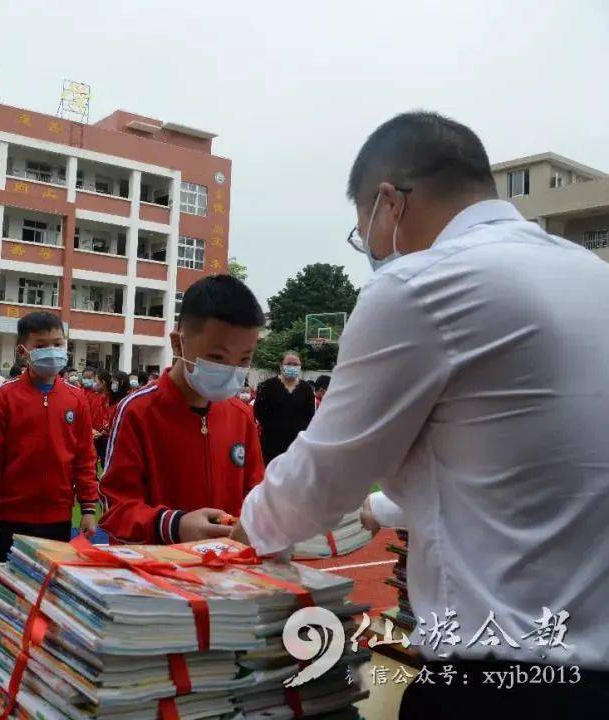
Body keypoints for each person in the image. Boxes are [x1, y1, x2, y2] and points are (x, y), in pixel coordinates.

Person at [234, 111, 609, 716]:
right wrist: (382, 508)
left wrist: (248, 529)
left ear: (389, 204)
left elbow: (325, 475)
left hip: (500, 681)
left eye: (365, 232)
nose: (374, 251)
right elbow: (521, 465)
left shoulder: (421, 284)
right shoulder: (592, 275)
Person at [99, 275, 266, 544]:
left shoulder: (241, 415)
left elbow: (256, 495)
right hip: (154, 576)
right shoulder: (137, 411)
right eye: (217, 358)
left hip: (226, 574)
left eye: (244, 358)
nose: (232, 370)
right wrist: (174, 525)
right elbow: (116, 509)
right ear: (179, 344)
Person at [0, 311, 99, 641]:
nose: (52, 351)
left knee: (48, 598)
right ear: (23, 351)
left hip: (56, 519)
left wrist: (87, 507)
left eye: (58, 343)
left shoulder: (76, 399)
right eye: (42, 345)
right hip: (8, 518)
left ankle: (35, 662)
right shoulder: (6, 397)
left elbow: (85, 458)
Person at [253, 351, 315, 465]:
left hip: (297, 444)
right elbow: (258, 411)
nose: (292, 367)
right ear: (281, 366)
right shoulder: (267, 386)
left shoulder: (307, 389)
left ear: (300, 366)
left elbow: (310, 414)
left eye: (296, 364)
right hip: (271, 443)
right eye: (289, 364)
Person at [94, 370, 129, 467]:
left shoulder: (126, 400)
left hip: (116, 441)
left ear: (121, 382)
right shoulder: (107, 398)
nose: (112, 384)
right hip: (104, 438)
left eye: (114, 382)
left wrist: (104, 432)